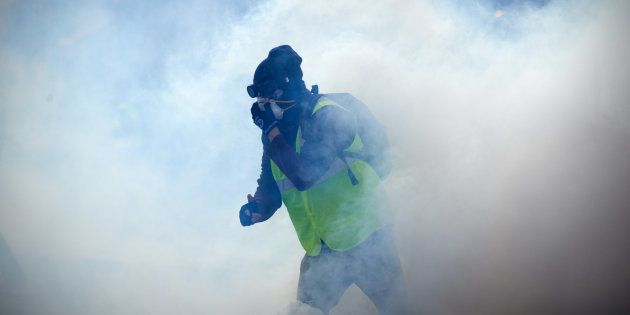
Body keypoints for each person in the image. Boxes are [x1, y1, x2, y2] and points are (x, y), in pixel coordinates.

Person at [239, 45, 408, 315]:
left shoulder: (329, 116)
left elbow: (304, 175)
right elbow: (271, 184)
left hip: (367, 238)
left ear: (287, 90)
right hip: (321, 250)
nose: (263, 106)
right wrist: (259, 207)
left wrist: (271, 133)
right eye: (260, 100)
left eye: (267, 98)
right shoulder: (277, 133)